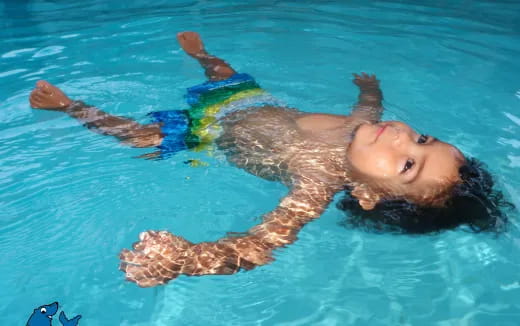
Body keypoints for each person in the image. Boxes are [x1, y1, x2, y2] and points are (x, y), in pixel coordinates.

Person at [29, 31, 508, 287]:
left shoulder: (317, 182)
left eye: (408, 165)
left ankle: (69, 107)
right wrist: (369, 92)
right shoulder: (361, 130)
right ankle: (204, 56)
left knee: (140, 138)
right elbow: (369, 113)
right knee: (225, 75)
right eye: (423, 139)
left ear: (366, 194)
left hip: (208, 134)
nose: (403, 138)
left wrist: (186, 261)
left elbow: (261, 244)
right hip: (247, 104)